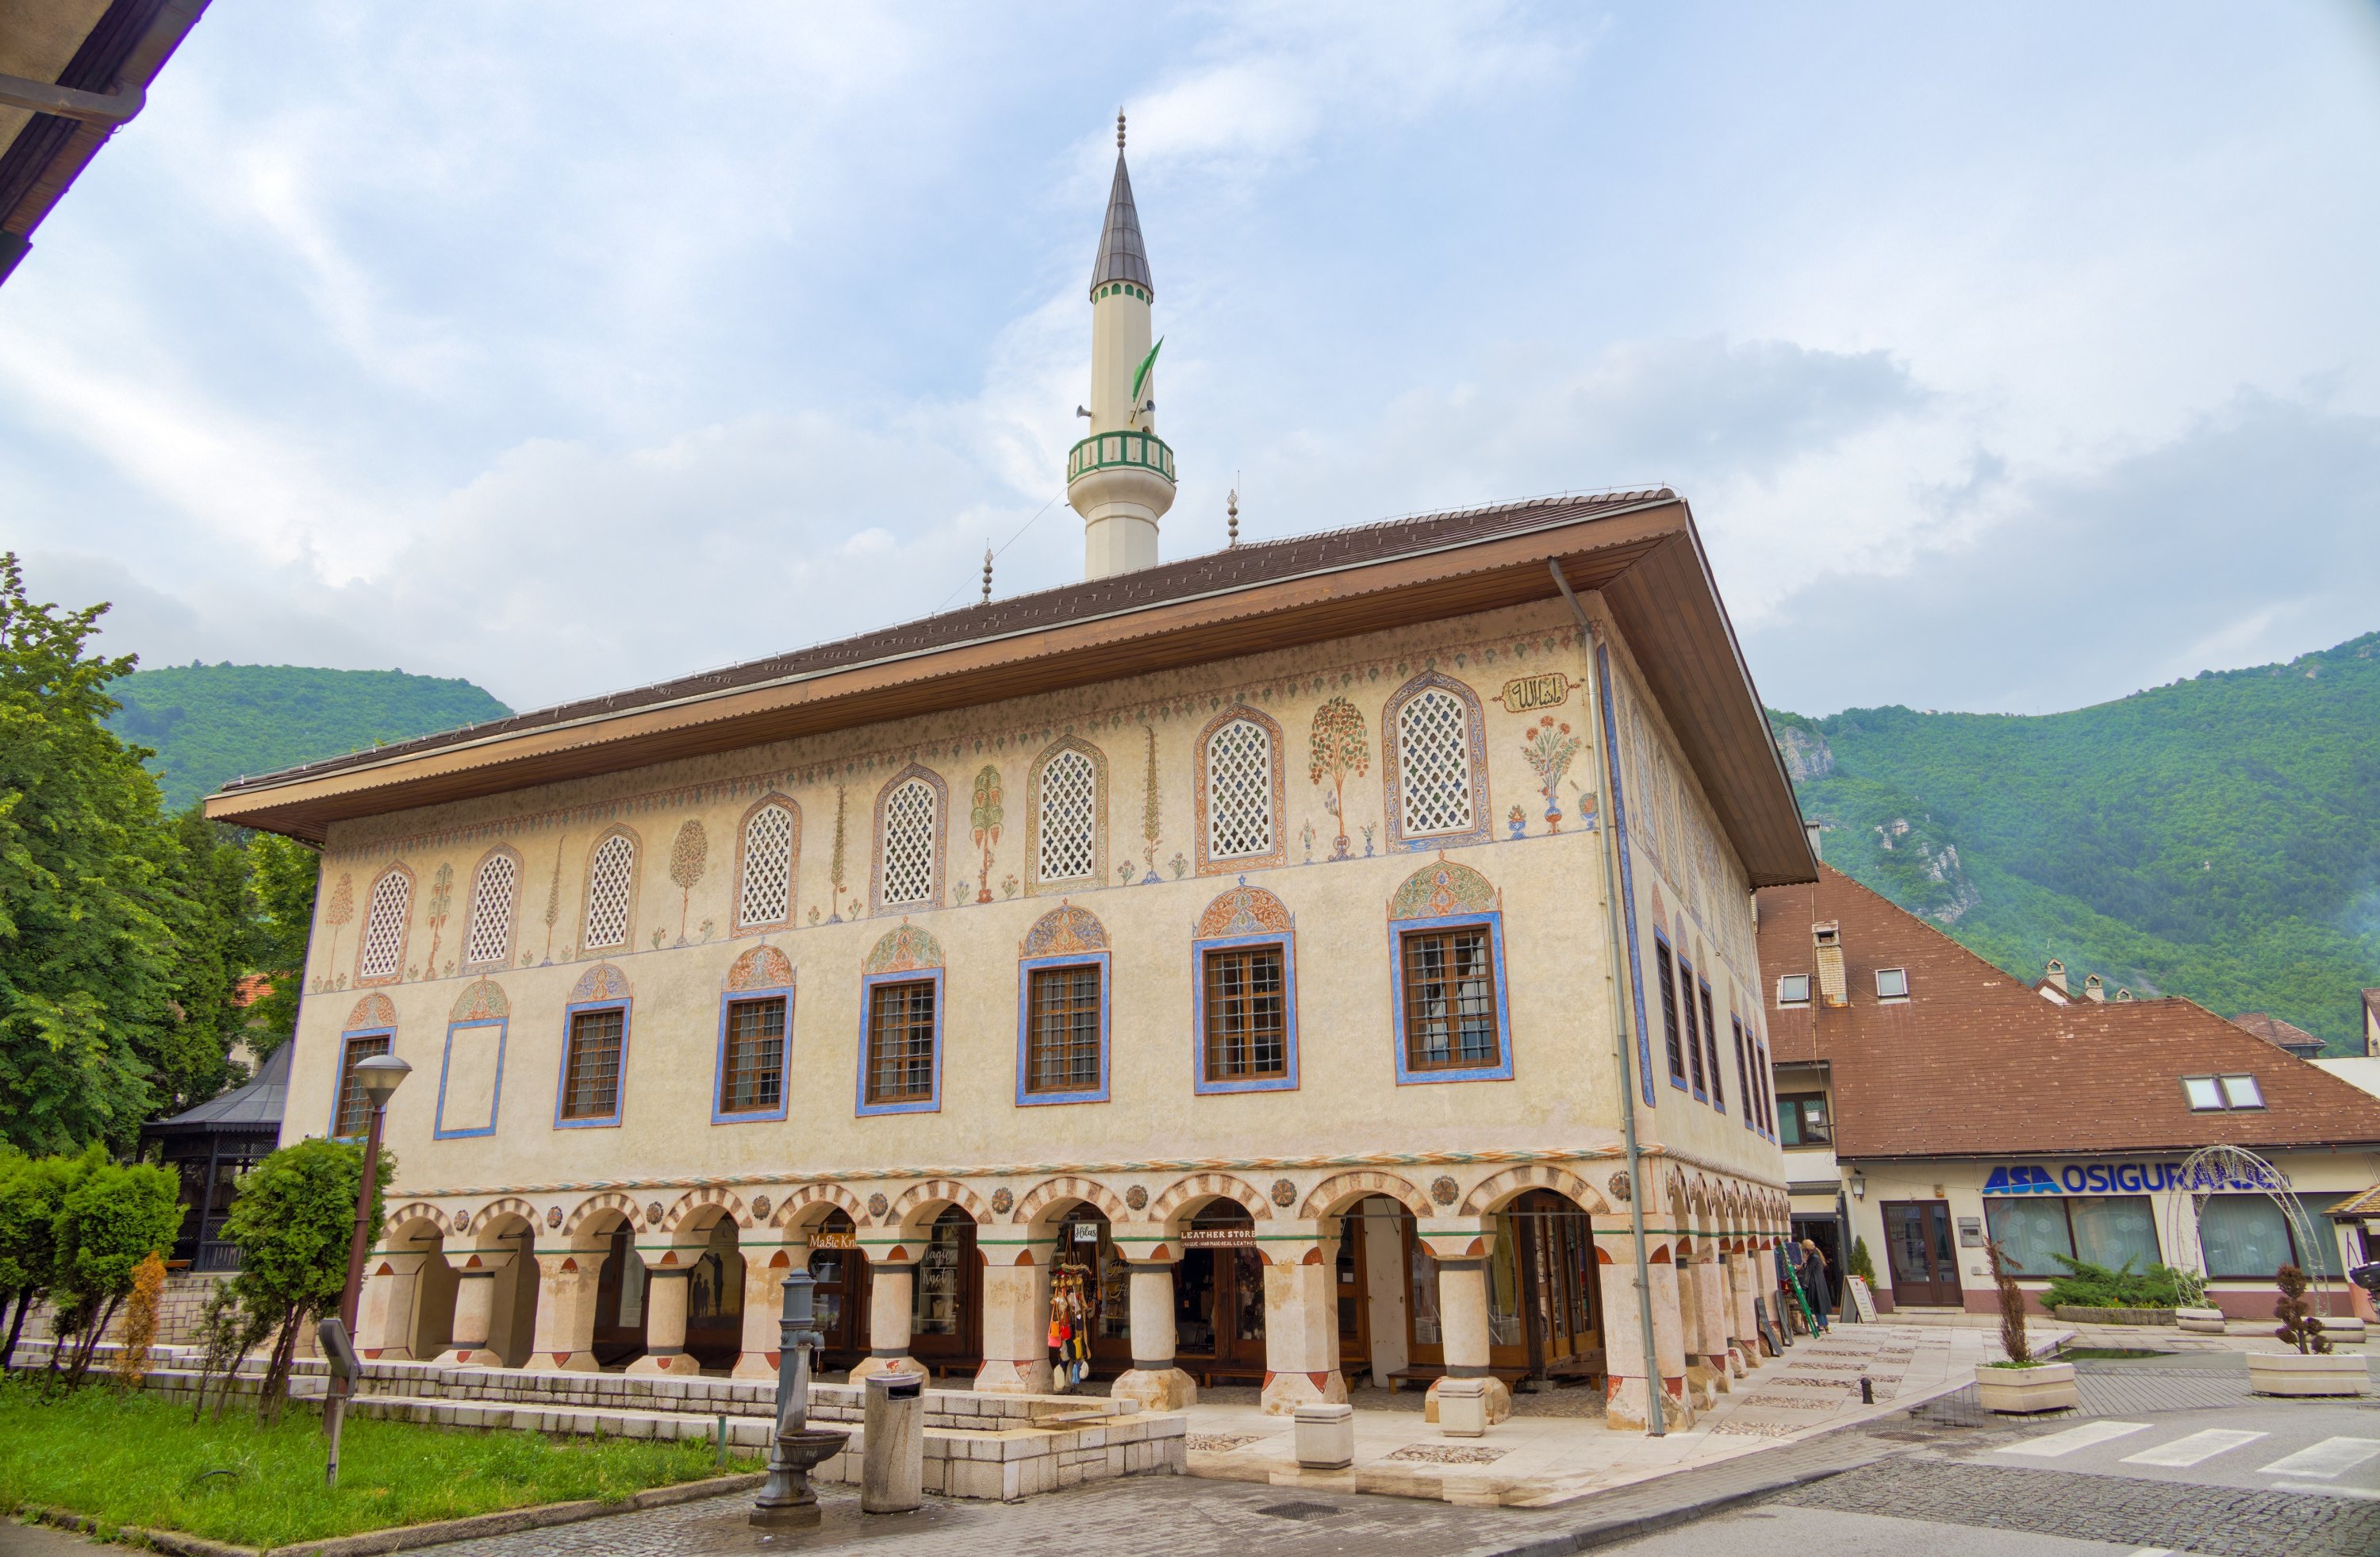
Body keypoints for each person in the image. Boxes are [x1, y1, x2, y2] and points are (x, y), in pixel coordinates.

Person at [1798, 1239, 1834, 1333]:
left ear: (1806, 1250)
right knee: (1821, 1305)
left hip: (1815, 1284)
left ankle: (1821, 1326)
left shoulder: (1813, 1257)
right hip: (1820, 1284)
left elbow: (1808, 1270)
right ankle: (1826, 1326)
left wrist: (1804, 1261)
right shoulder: (1816, 1256)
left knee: (1818, 1305)